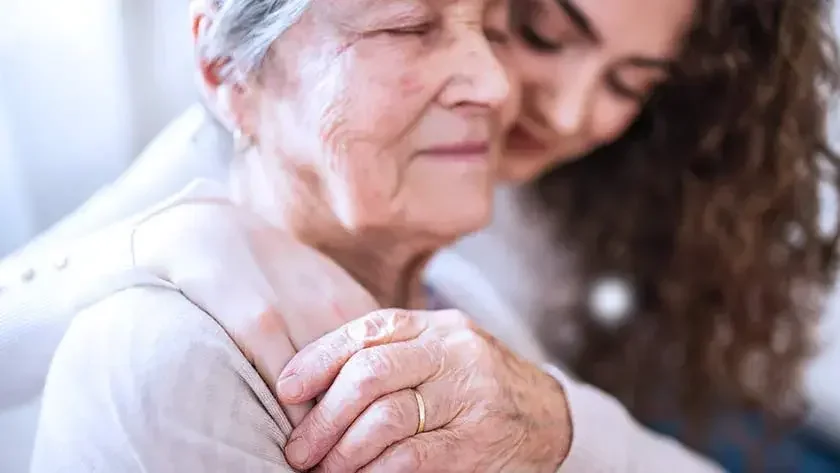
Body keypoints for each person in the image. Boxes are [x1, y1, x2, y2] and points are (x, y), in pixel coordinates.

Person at [21, 0, 839, 472]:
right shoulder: (220, 202)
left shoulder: (565, 207)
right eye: (545, 37)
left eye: (632, 83)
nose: (565, 113)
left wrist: (557, 419)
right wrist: (160, 239)